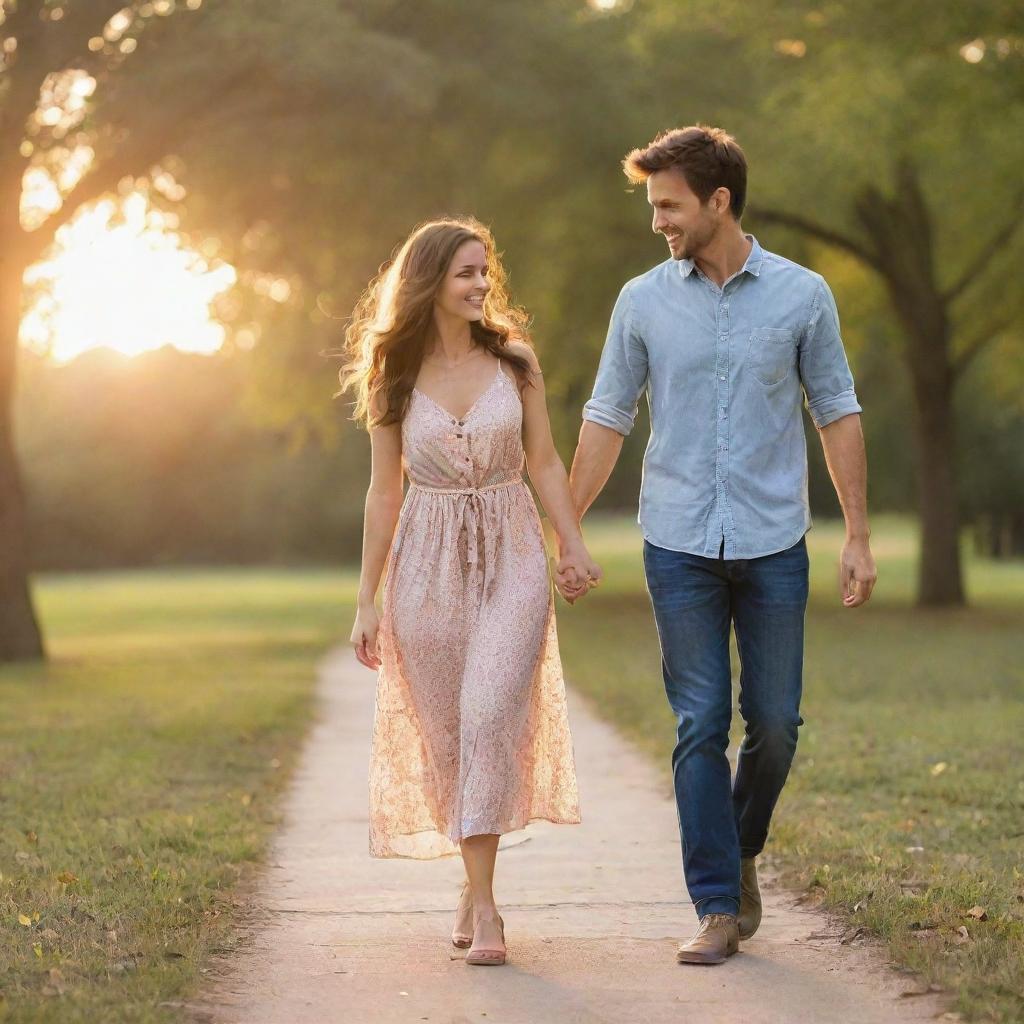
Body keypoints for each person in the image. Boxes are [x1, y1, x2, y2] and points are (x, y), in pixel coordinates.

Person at [565, 125, 877, 965]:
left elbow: (837, 410)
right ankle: (714, 905)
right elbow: (608, 417)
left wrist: (857, 534)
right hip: (677, 540)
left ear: (718, 202)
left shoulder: (804, 295)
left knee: (775, 726)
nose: (658, 221)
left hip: (775, 539)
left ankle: (738, 851)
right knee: (699, 720)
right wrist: (563, 525)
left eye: (668, 205)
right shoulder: (641, 301)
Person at [340, 217, 600, 967]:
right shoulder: (390, 371)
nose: (481, 284)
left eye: (484, 271)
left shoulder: (514, 360)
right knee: (448, 737)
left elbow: (544, 461)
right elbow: (382, 491)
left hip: (512, 551)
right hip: (424, 561)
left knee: (488, 712)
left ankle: (487, 908)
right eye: (464, 272)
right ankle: (473, 878)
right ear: (428, 280)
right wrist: (367, 598)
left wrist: (570, 543)